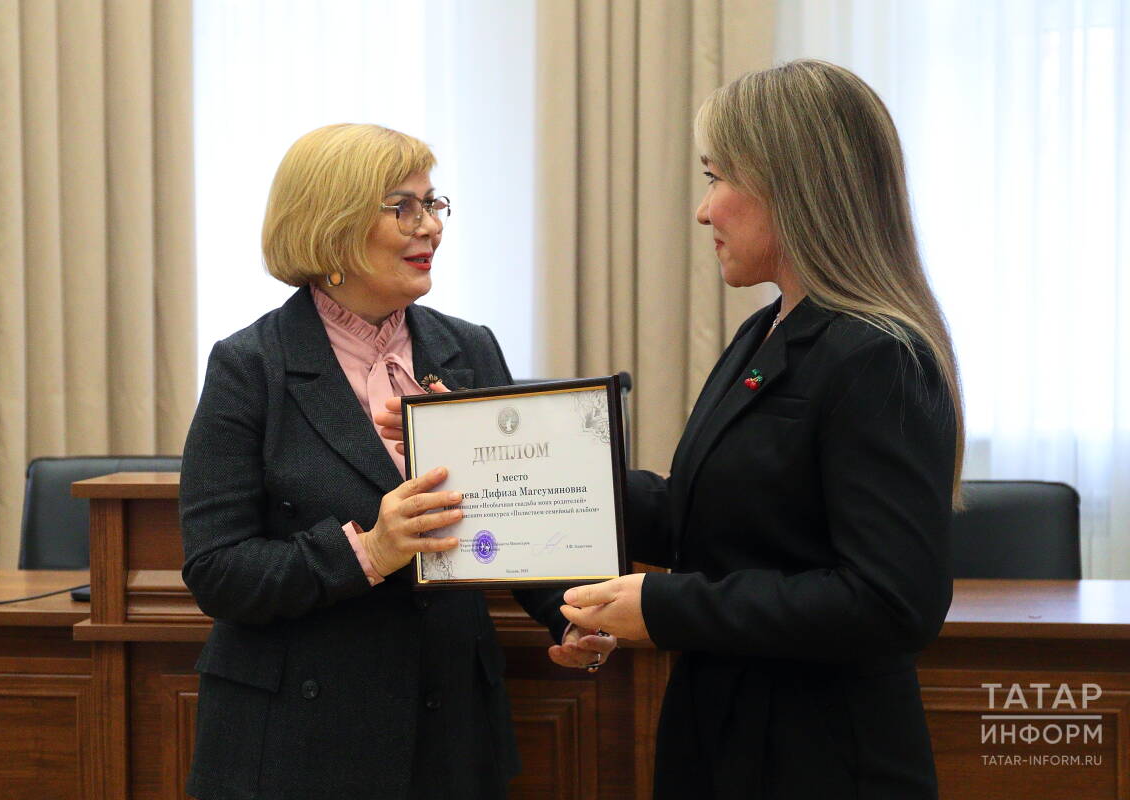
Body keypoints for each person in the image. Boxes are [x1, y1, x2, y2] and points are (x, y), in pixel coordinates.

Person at [559, 60, 964, 799]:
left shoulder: (877, 354)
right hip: (725, 737)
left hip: (821, 759)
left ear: (793, 187)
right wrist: (514, 466)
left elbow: (890, 602)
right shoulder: (768, 329)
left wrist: (666, 607)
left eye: (716, 178)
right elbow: (709, 514)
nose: (703, 211)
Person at [179, 123, 614, 800]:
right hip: (300, 741)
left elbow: (519, 520)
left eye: (433, 204)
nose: (430, 227)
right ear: (331, 226)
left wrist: (571, 615)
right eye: (403, 207)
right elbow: (217, 569)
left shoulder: (470, 348)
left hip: (449, 728)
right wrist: (369, 552)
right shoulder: (250, 364)